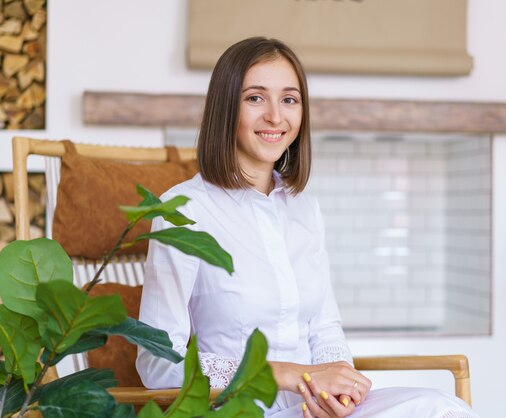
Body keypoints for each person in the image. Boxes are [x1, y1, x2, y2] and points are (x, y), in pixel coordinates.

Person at [136, 37, 480, 418]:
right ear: (225, 107)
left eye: (289, 99)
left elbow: (325, 330)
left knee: (441, 408)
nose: (275, 117)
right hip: (237, 411)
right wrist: (292, 375)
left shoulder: (305, 210)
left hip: (311, 412)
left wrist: (338, 392)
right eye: (255, 98)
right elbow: (158, 364)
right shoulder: (184, 211)